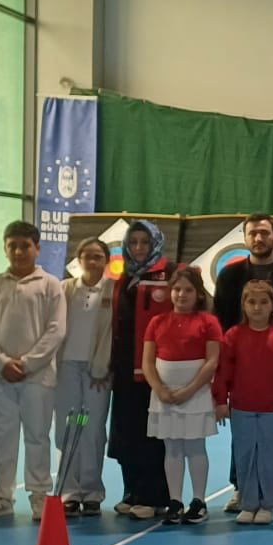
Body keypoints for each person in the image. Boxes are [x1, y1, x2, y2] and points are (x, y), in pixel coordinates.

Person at [212, 214, 273, 512]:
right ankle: (241, 488)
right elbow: (220, 320)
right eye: (253, 233)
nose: (258, 238)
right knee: (242, 434)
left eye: (264, 233)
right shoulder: (230, 276)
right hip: (242, 366)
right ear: (245, 238)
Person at [0, 221, 68, 521]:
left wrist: (27, 363)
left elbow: (56, 330)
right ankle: (2, 495)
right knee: (3, 437)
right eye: (12, 246)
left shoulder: (50, 285)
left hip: (38, 378)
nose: (18, 252)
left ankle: (40, 495)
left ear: (37, 248)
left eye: (24, 246)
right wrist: (1, 362)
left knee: (37, 437)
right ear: (5, 249)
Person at [213, 279, 273, 525]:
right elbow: (224, 371)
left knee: (270, 458)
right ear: (243, 305)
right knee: (245, 456)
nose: (257, 307)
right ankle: (248, 503)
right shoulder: (233, 336)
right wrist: (221, 400)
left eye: (263, 302)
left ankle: (268, 504)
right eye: (251, 302)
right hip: (242, 407)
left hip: (272, 409)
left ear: (272, 305)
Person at [144, 265, 222, 524]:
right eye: (176, 289)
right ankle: (175, 501)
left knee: (195, 447)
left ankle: (199, 501)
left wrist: (190, 389)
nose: (181, 294)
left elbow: (212, 361)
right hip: (164, 395)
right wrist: (159, 389)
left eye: (188, 290)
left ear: (198, 293)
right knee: (172, 448)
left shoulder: (208, 322)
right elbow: (147, 362)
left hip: (195, 393)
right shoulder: (157, 322)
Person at [109, 220, 174, 519]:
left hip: (153, 370)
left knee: (152, 436)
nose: (138, 248)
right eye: (133, 242)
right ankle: (132, 490)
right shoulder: (124, 279)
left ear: (155, 244)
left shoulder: (170, 275)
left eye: (144, 242)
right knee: (126, 433)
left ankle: (154, 496)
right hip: (124, 369)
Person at [55, 239, 114, 517]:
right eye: (87, 256)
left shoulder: (113, 290)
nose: (92, 261)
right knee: (69, 427)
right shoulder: (64, 288)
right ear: (78, 260)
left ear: (106, 260)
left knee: (92, 429)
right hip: (67, 368)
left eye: (98, 256)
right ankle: (69, 491)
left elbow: (114, 334)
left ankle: (91, 491)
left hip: (97, 373)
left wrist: (106, 366)